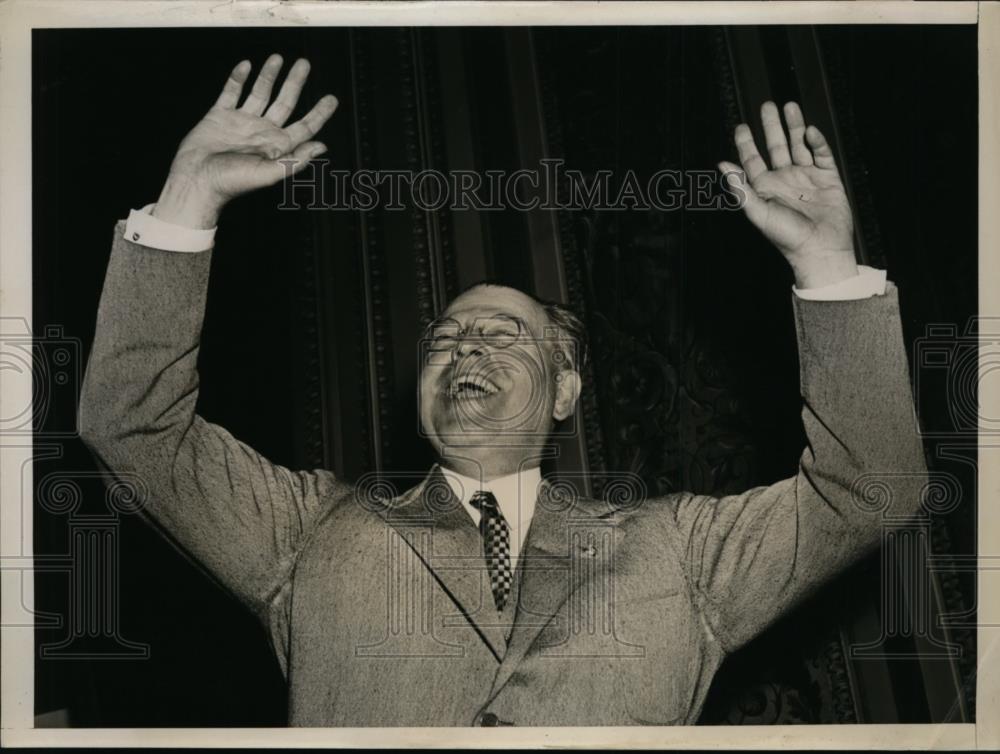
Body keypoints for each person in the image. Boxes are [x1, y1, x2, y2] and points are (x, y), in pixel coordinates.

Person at [80, 54, 928, 726]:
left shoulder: (682, 550)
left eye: (500, 333)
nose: (462, 347)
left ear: (565, 392)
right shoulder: (305, 529)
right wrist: (187, 200)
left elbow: (871, 489)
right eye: (443, 338)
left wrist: (827, 269)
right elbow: (134, 428)